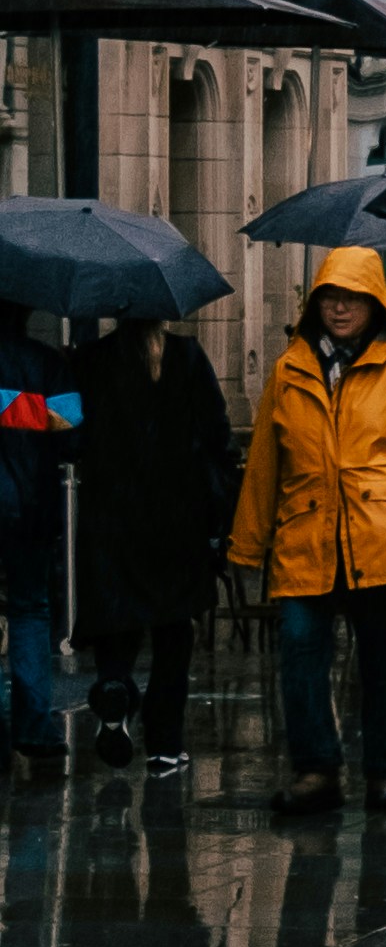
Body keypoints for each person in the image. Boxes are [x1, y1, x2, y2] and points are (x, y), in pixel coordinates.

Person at [229, 256, 386, 814]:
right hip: (307, 535)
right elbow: (265, 464)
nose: (340, 308)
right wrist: (247, 544)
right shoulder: (289, 369)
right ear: (313, 303)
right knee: (299, 652)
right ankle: (316, 769)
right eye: (329, 297)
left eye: (352, 297)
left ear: (374, 303)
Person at [80, 306, 237, 773]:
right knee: (173, 631)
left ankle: (115, 686)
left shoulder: (91, 360)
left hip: (111, 518)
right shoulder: (187, 357)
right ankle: (165, 742)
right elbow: (217, 434)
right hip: (177, 519)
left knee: (118, 619)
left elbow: (71, 433)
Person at [0, 313, 81, 778]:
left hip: (24, 505)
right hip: (32, 507)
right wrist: (25, 410)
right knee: (30, 612)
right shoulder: (46, 362)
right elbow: (72, 429)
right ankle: (34, 730)